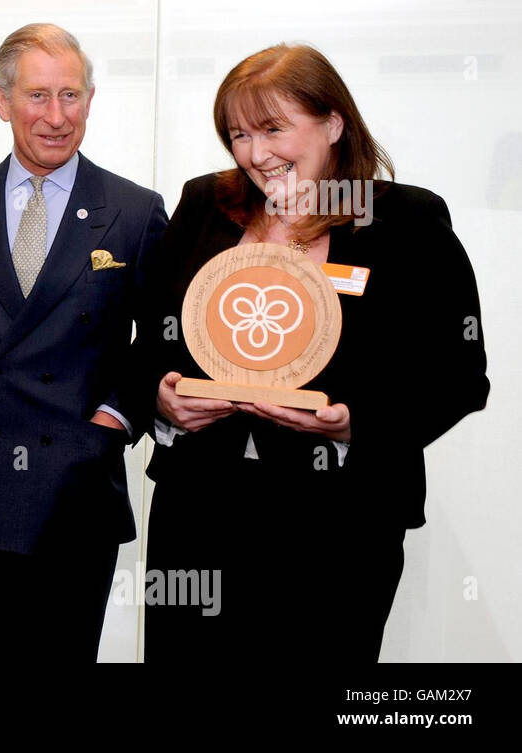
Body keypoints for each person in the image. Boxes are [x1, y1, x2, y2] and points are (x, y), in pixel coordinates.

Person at [139, 43, 489, 662]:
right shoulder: (205, 205)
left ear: (332, 123)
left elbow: (461, 375)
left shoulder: (404, 221)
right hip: (200, 514)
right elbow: (150, 338)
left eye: (274, 128)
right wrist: (161, 401)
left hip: (340, 525)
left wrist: (358, 422)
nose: (256, 153)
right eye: (239, 134)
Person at [0, 23, 167, 662]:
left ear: (91, 99)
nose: (56, 116)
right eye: (38, 97)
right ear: (2, 101)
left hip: (75, 478)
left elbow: (161, 339)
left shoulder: (134, 210)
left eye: (71, 96)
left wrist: (115, 416)